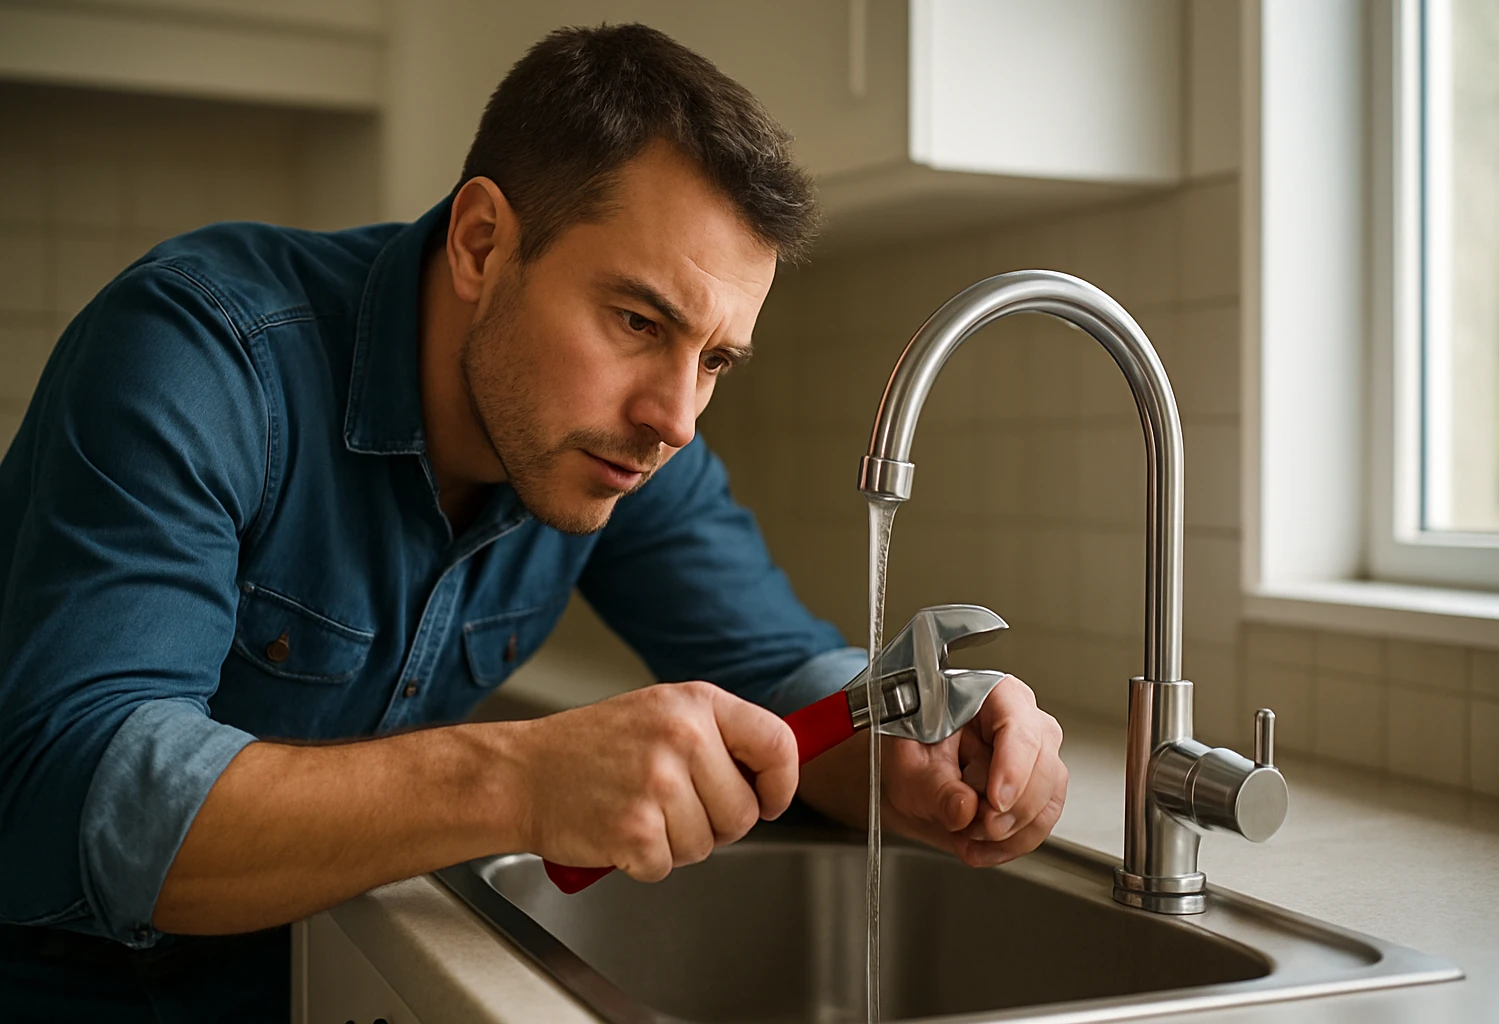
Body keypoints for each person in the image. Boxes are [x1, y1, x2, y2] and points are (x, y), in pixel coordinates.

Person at [0, 23, 1067, 1022]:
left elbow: (777, 671)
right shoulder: (201, 353)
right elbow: (79, 787)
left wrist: (897, 744)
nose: (676, 417)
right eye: (638, 320)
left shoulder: (617, 442)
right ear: (480, 242)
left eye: (715, 360)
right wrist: (520, 777)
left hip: (316, 968)